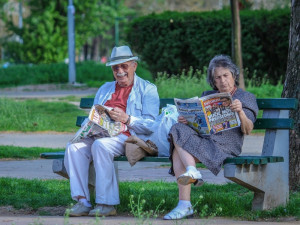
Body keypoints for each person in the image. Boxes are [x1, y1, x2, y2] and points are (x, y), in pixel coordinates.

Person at [64, 46, 159, 217]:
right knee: (73, 147)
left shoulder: (148, 89)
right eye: (116, 68)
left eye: (124, 66)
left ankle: (106, 203)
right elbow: (94, 115)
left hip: (129, 137)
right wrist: (88, 127)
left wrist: (127, 119)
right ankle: (82, 201)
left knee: (101, 146)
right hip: (101, 135)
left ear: (134, 66)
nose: (120, 71)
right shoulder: (105, 89)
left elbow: (152, 125)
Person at [164, 55, 258, 220]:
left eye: (225, 75)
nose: (222, 81)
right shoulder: (207, 95)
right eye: (217, 78)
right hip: (205, 141)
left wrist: (241, 112)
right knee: (177, 128)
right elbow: (198, 125)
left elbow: (248, 128)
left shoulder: (245, 98)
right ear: (213, 81)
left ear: (233, 76)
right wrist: (187, 120)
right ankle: (191, 173)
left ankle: (184, 203)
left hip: (225, 147)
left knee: (178, 151)